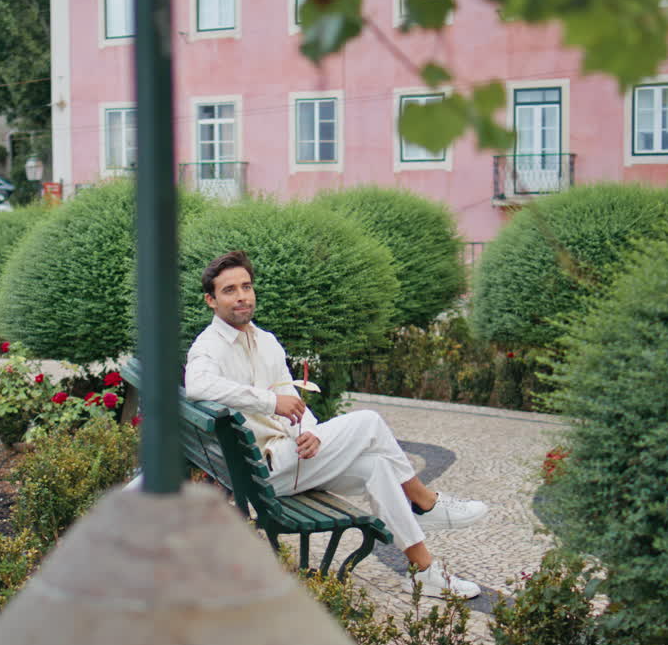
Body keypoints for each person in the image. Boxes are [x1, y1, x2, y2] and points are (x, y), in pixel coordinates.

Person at [183, 250, 487, 599]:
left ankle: (424, 571)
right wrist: (268, 402)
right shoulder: (208, 347)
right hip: (259, 471)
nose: (241, 296)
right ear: (211, 300)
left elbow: (292, 402)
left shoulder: (266, 341)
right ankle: (425, 502)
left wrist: (308, 432)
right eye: (229, 290)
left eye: (246, 287)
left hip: (285, 459)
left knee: (378, 467)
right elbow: (198, 385)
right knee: (369, 422)